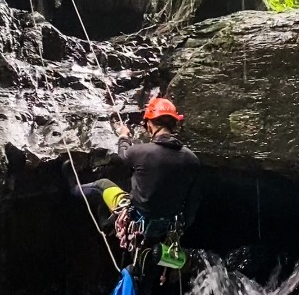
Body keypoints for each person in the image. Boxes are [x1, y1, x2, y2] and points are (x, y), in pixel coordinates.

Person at [66, 98, 200, 249]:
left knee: (102, 185)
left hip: (137, 220)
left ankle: (74, 188)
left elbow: (123, 154)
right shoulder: (192, 159)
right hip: (167, 226)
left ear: (150, 124)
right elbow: (192, 201)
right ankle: (107, 223)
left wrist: (124, 136)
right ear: (174, 125)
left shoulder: (142, 152)